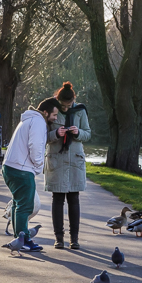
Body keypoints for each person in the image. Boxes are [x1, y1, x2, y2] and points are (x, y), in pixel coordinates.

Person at [2, 97, 60, 252]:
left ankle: (19, 238)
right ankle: (25, 240)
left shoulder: (29, 120)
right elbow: (35, 145)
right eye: (54, 115)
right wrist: (39, 165)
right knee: (25, 206)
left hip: (10, 166)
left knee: (17, 204)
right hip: (21, 169)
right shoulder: (39, 122)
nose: (55, 118)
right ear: (45, 112)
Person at [45, 81, 91, 250]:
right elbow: (43, 135)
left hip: (74, 160)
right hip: (57, 159)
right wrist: (56, 133)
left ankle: (74, 239)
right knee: (57, 199)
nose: (66, 108)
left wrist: (78, 132)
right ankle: (58, 238)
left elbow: (88, 133)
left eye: (69, 105)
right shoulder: (50, 109)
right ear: (58, 99)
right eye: (63, 105)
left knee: (74, 198)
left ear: (73, 100)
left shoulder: (80, 111)